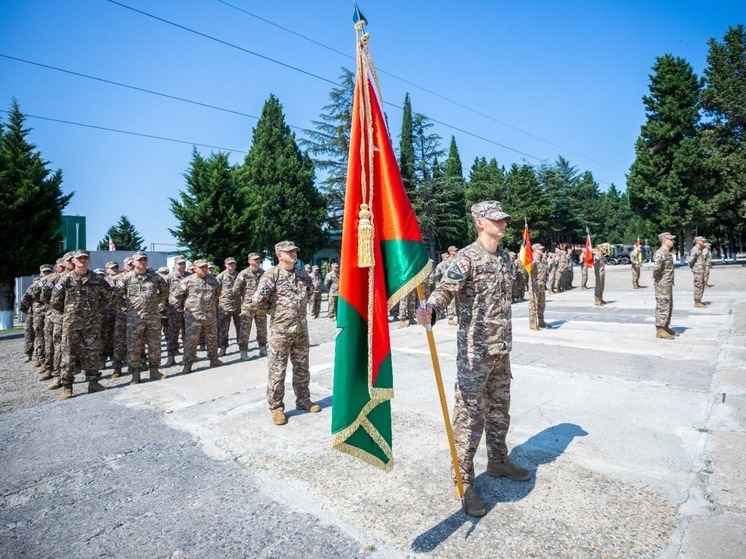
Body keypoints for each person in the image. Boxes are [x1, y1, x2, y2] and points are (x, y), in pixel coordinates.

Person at [416, 201, 530, 518]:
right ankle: (464, 482)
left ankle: (497, 461)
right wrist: (432, 310)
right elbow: (445, 290)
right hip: (474, 355)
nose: (503, 223)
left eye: (505, 218)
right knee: (469, 419)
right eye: (497, 219)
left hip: (501, 351)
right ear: (480, 222)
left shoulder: (504, 259)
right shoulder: (467, 258)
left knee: (499, 411)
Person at [253, 241, 320, 426]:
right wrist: (275, 312)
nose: (294, 254)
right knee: (277, 370)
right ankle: (277, 408)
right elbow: (258, 300)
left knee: (302, 367)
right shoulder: (271, 275)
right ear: (279, 254)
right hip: (280, 331)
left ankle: (304, 400)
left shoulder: (301, 273)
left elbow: (310, 290)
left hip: (300, 330)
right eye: (289, 252)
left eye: (295, 251)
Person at [50, 250, 112, 400]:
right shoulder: (65, 279)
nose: (82, 260)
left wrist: (96, 309)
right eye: (79, 258)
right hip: (71, 324)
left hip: (92, 323)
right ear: (74, 261)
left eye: (85, 258)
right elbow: (54, 301)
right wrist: (69, 313)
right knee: (68, 355)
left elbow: (109, 296)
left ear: (89, 261)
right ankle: (67, 387)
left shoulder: (97, 279)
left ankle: (93, 383)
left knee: (92, 353)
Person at [117, 251, 169, 383]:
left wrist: (155, 302)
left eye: (144, 259)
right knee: (134, 347)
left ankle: (154, 371)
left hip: (153, 317)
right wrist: (127, 308)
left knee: (155, 345)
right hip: (134, 319)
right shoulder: (126, 278)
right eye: (139, 260)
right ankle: (135, 374)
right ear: (133, 262)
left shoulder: (155, 277)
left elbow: (165, 291)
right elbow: (116, 296)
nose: (142, 262)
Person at [172, 259, 224, 374]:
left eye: (205, 267)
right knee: (191, 341)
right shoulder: (188, 281)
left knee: (212, 338)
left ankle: (214, 359)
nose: (204, 269)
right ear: (195, 269)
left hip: (210, 315)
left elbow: (217, 294)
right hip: (193, 316)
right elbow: (178, 295)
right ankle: (187, 364)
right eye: (201, 267)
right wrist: (190, 304)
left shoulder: (213, 280)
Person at [233, 252, 268, 360]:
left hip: (261, 306)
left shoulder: (264, 273)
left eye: (258, 259)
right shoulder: (243, 274)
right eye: (254, 259)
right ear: (249, 261)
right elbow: (235, 289)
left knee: (262, 329)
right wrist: (246, 298)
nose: (257, 261)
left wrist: (263, 295)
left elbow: (269, 286)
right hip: (248, 307)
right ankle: (243, 351)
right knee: (245, 330)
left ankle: (262, 348)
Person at [164, 255, 189, 367]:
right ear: (174, 265)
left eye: (183, 263)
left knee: (188, 334)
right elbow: (163, 294)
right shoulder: (169, 278)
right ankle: (171, 357)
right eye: (179, 264)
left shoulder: (190, 276)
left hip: (189, 309)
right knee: (173, 334)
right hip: (174, 310)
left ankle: (188, 356)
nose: (182, 265)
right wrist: (166, 308)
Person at [652, 232, 677, 339]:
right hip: (662, 284)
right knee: (662, 305)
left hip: (667, 283)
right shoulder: (660, 253)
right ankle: (660, 330)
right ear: (664, 240)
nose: (673, 241)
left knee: (668, 305)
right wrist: (655, 276)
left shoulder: (667, 253)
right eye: (671, 239)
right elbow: (657, 268)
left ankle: (666, 326)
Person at [216, 257, 241, 357]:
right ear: (225, 265)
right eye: (230, 264)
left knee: (240, 328)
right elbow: (216, 291)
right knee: (223, 329)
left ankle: (242, 347)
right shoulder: (220, 277)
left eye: (233, 264)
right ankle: (223, 348)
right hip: (225, 307)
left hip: (238, 306)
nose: (232, 265)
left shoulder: (239, 275)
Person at [528, 243, 549, 329]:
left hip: (542, 284)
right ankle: (533, 322)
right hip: (534, 285)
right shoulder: (532, 259)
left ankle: (541, 320)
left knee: (541, 303)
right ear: (535, 250)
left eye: (542, 249)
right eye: (540, 249)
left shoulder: (543, 260)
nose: (542, 250)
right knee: (534, 304)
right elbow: (528, 269)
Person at [689, 236, 707, 308]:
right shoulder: (695, 249)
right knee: (698, 285)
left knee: (701, 285)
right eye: (702, 241)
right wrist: (694, 268)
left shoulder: (699, 250)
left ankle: (699, 300)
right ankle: (697, 302)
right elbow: (691, 260)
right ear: (697, 241)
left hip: (701, 270)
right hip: (698, 270)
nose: (703, 242)